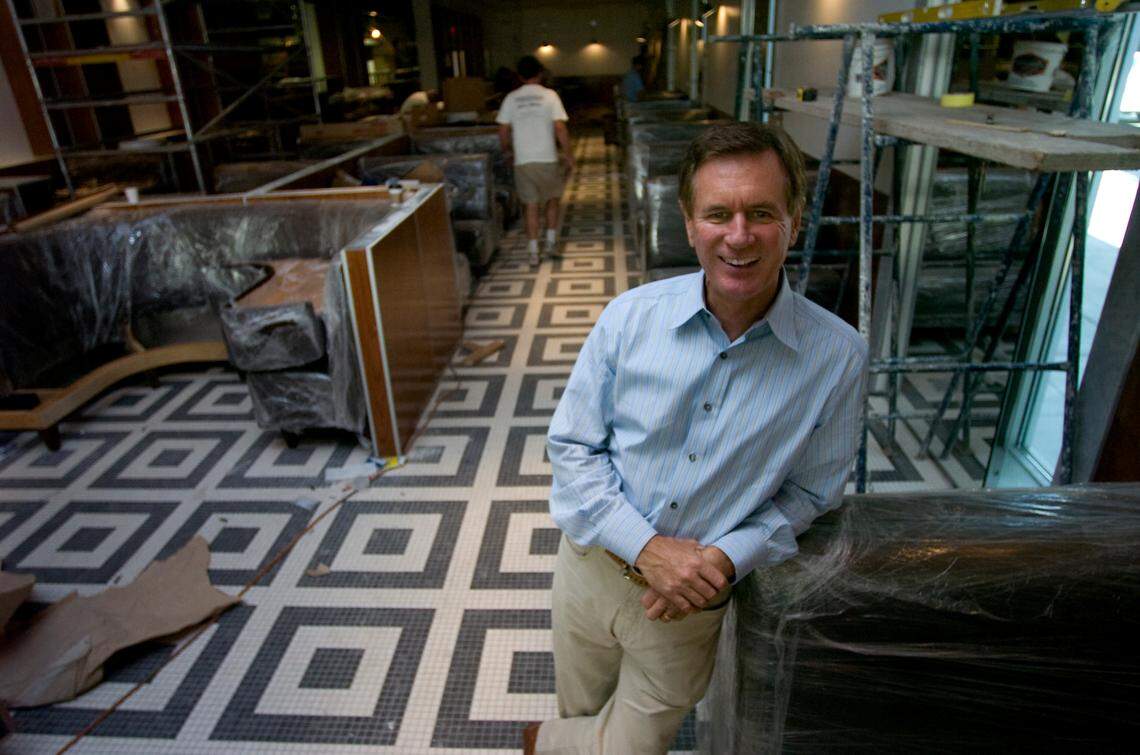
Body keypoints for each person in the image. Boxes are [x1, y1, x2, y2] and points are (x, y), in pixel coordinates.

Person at [528, 122, 868, 754]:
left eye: (761, 213)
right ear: (689, 224)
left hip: (691, 601)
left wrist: (726, 558)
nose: (738, 236)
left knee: (634, 744)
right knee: (582, 713)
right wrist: (647, 548)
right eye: (718, 214)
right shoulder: (630, 318)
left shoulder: (837, 355)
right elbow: (573, 447)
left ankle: (541, 744)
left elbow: (810, 494)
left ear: (793, 221)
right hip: (591, 568)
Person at [496, 55, 575, 267]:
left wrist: (507, 151)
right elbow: (560, 127)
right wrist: (569, 154)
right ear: (540, 73)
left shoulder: (511, 98)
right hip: (547, 158)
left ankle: (533, 252)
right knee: (552, 201)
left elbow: (502, 130)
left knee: (530, 206)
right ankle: (550, 244)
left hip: (523, 161)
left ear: (520, 76)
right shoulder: (550, 96)